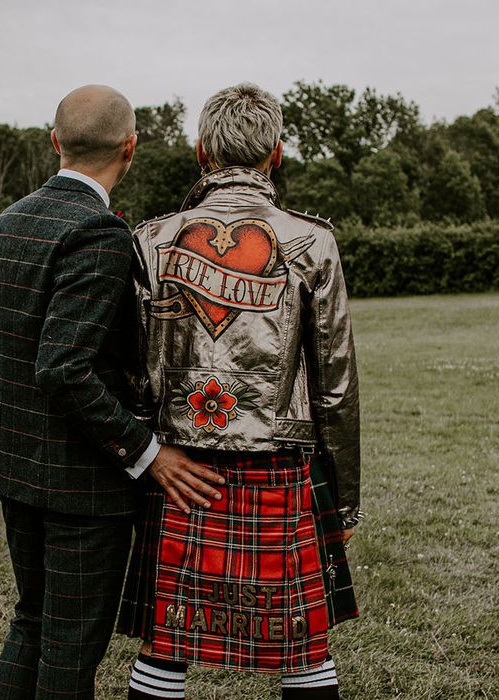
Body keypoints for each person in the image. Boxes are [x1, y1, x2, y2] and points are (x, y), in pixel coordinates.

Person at [117, 83, 362, 699]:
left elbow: (130, 371)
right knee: (300, 637)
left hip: (177, 465)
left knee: (167, 637)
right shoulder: (312, 241)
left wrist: (141, 458)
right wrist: (346, 500)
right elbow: (335, 386)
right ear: (276, 153)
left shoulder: (151, 239)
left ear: (201, 151)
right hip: (280, 462)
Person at [0, 84, 223, 700]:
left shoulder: (6, 224)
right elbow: (62, 368)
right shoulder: (99, 233)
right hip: (83, 482)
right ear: (131, 148)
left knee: (32, 621)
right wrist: (148, 453)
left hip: (17, 467)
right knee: (69, 649)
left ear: (55, 140)